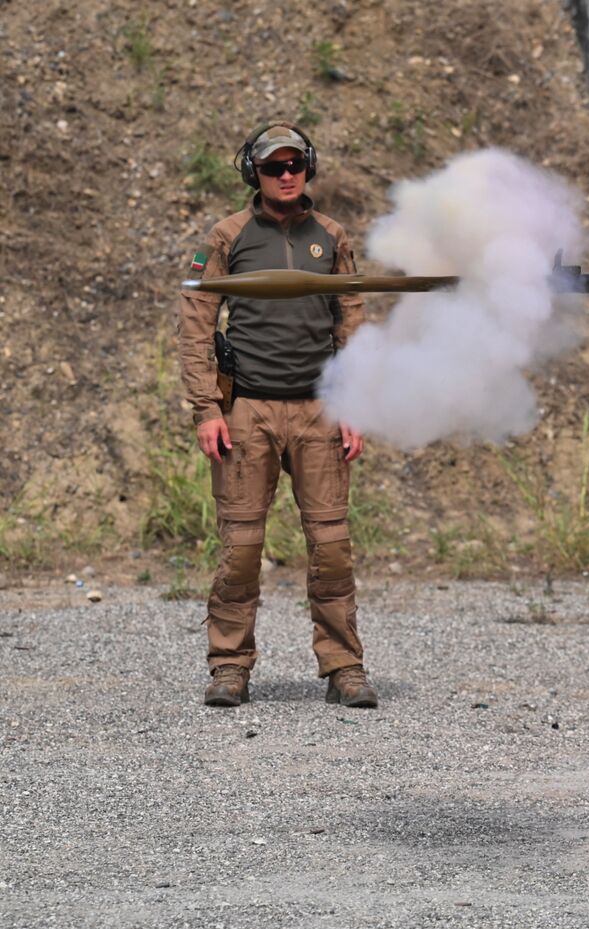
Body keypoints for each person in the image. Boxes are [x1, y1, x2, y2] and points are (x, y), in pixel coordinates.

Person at [177, 122, 377, 709]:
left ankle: (344, 665)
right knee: (240, 548)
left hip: (319, 409)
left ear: (308, 167)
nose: (285, 175)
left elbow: (353, 321)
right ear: (254, 173)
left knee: (332, 545)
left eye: (294, 165)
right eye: (273, 167)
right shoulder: (227, 236)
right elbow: (196, 323)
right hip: (248, 414)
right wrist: (206, 409)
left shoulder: (332, 236)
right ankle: (230, 667)